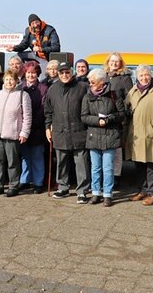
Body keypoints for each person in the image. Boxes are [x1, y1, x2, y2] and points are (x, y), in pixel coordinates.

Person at [45, 62, 91, 204]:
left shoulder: (83, 87)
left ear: (72, 72)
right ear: (58, 74)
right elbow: (48, 111)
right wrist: (47, 127)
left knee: (81, 163)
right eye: (62, 73)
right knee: (61, 162)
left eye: (67, 72)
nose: (65, 75)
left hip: (79, 131)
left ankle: (82, 191)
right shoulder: (52, 89)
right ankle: (63, 187)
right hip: (59, 131)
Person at [126, 64, 153, 206]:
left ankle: (152, 193)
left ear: (151, 75)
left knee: (152, 165)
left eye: (146, 75)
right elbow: (126, 110)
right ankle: (142, 190)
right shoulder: (132, 91)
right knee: (139, 164)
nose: (144, 77)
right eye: (141, 75)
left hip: (152, 134)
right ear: (137, 77)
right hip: (136, 135)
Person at [80, 69, 125, 207]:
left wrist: (110, 119)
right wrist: (96, 121)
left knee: (108, 168)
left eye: (92, 81)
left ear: (101, 81)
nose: (90, 83)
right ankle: (95, 193)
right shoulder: (87, 96)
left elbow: (122, 114)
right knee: (95, 168)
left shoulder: (113, 94)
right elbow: (84, 116)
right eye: (89, 81)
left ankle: (107, 194)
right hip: (94, 136)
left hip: (110, 136)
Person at [0, 70, 32, 197]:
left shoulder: (23, 95)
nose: (9, 82)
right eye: (7, 79)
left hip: (13, 134)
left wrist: (24, 132)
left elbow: (27, 116)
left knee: (12, 162)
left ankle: (13, 186)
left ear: (16, 81)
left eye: (11, 79)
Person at [103, 52, 133, 188]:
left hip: (119, 118)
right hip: (104, 116)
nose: (114, 63)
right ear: (108, 62)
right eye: (112, 61)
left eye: (117, 61)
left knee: (117, 150)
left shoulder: (124, 78)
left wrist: (125, 113)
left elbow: (130, 97)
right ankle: (106, 176)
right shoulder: (103, 76)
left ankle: (116, 176)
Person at [19, 61, 49, 194]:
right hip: (23, 128)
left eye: (34, 73)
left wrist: (32, 121)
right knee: (25, 156)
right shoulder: (20, 87)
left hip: (37, 127)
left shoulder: (43, 88)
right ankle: (25, 180)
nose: (31, 75)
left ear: (37, 74)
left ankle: (38, 182)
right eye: (29, 73)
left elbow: (44, 107)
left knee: (37, 156)